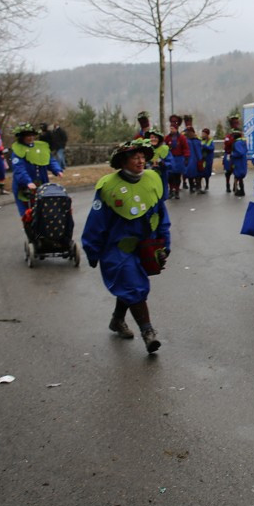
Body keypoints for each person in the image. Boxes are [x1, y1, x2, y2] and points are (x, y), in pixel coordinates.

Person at [81, 139, 169, 354]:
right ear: (123, 161)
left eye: (142, 157)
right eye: (134, 157)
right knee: (134, 286)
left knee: (130, 285)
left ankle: (117, 320)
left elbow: (161, 214)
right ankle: (148, 333)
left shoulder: (151, 180)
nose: (140, 161)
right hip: (117, 248)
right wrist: (92, 251)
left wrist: (164, 243)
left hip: (145, 246)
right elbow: (96, 223)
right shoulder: (108, 187)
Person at [10, 123, 63, 220]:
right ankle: (31, 232)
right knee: (28, 214)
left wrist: (57, 170)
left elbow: (49, 159)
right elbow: (19, 169)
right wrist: (27, 181)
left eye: (31, 135)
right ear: (21, 137)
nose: (30, 138)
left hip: (41, 183)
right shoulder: (18, 151)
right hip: (25, 187)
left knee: (44, 212)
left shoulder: (40, 147)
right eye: (27, 136)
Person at [163, 116, 189, 199]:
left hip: (179, 159)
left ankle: (177, 191)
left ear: (176, 129)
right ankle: (171, 191)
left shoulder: (182, 138)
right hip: (170, 158)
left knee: (177, 176)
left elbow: (185, 148)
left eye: (173, 128)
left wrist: (186, 157)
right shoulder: (167, 138)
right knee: (170, 176)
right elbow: (164, 148)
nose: (171, 130)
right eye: (170, 128)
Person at [223, 114, 242, 193]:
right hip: (229, 154)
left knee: (237, 171)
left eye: (237, 123)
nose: (236, 125)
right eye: (234, 123)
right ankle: (227, 185)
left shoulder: (240, 134)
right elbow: (226, 143)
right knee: (228, 171)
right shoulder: (229, 135)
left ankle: (236, 185)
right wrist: (233, 139)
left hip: (237, 155)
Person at [229, 128, 248, 197]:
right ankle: (239, 189)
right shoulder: (243, 142)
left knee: (238, 175)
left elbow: (240, 152)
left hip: (238, 162)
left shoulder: (237, 143)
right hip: (242, 161)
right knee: (239, 176)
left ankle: (241, 190)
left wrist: (232, 154)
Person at [199, 127, 215, 192]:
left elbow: (211, 148)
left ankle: (207, 185)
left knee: (207, 172)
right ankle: (199, 186)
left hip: (208, 158)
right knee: (200, 172)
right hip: (201, 158)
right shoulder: (200, 140)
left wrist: (205, 146)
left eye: (204, 133)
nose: (203, 135)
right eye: (202, 133)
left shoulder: (210, 141)